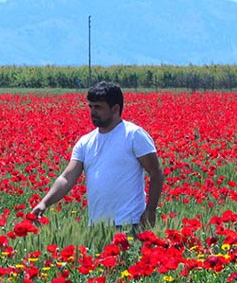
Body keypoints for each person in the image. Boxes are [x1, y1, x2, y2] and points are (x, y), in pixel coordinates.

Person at [31, 81, 164, 231]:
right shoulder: (85, 142)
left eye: (98, 107)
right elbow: (67, 178)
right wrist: (44, 203)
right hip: (97, 227)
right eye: (91, 107)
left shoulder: (133, 135)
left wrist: (150, 210)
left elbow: (156, 172)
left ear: (115, 109)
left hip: (129, 222)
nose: (93, 112)